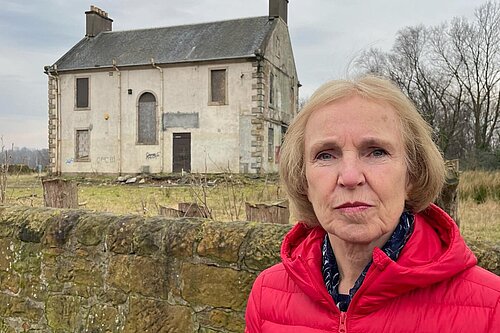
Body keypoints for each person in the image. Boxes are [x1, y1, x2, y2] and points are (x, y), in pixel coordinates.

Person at [245, 75, 500, 333]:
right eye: (325, 155)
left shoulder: (491, 309)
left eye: (377, 151)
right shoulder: (267, 296)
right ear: (304, 181)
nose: (350, 177)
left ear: (412, 174)